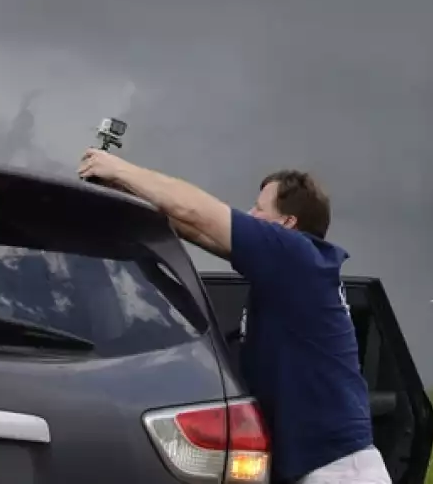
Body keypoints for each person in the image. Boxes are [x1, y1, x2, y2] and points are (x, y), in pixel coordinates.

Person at [77, 149, 387, 484]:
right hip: (323, 465)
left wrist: (119, 169)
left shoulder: (295, 257)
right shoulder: (292, 270)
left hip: (337, 471)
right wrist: (126, 194)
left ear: (286, 224)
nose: (249, 214)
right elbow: (197, 229)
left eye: (259, 208)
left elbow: (195, 210)